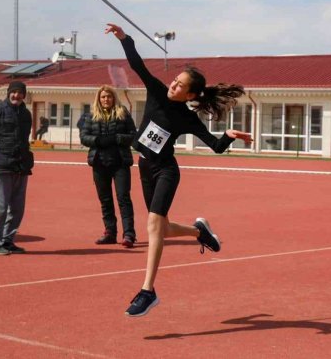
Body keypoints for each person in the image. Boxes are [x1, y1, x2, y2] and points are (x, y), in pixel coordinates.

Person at [106, 23, 251, 317]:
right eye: (174, 80)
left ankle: (148, 291)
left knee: (153, 227)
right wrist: (125, 38)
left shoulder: (188, 118)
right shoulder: (157, 92)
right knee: (163, 228)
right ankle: (199, 231)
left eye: (180, 85)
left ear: (190, 94)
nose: (173, 84)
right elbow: (138, 65)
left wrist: (229, 135)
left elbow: (215, 145)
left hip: (166, 171)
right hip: (144, 167)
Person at [0, 81, 34, 255]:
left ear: (24, 95)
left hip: (21, 166)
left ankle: (7, 241)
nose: (16, 95)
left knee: (17, 208)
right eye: (14, 92)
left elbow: (24, 139)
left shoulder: (26, 114)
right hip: (1, 166)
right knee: (0, 207)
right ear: (8, 93)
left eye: (20, 93)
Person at [80, 85, 138, 248]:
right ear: (99, 99)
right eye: (103, 97)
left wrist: (117, 138)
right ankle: (110, 232)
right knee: (105, 200)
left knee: (123, 198)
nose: (106, 100)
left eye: (109, 97)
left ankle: (129, 234)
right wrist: (97, 141)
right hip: (99, 163)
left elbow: (133, 135)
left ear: (114, 98)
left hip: (120, 162)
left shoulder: (123, 113)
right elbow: (83, 137)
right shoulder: (90, 115)